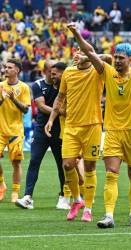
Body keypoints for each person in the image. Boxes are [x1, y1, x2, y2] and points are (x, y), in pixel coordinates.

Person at [67, 22, 131, 228]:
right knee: (111, 173)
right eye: (115, 57)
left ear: (130, 60)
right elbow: (89, 52)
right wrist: (75, 34)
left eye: (121, 58)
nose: (117, 60)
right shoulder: (107, 72)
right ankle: (108, 215)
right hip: (113, 132)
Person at [44, 49, 106, 222]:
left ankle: (88, 208)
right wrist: (51, 119)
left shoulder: (98, 71)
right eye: (75, 53)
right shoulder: (68, 73)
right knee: (67, 164)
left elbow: (107, 57)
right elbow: (60, 98)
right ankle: (77, 200)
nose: (76, 56)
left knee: (90, 167)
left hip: (92, 125)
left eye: (80, 52)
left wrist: (88, 56)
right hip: (71, 125)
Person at [15, 61, 69, 210]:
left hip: (60, 129)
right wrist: (60, 111)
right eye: (51, 71)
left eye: (55, 72)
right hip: (41, 129)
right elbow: (40, 106)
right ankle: (28, 197)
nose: (53, 74)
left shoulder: (66, 86)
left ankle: (63, 196)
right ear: (46, 71)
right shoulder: (38, 85)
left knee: (62, 164)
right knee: (34, 161)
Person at [0, 59, 31, 202]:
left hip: (15, 131)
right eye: (5, 67)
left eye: (9, 67)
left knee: (16, 163)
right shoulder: (0, 86)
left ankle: (15, 192)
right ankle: (1, 185)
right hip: (0, 130)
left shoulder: (24, 87)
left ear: (17, 70)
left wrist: (13, 99)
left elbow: (25, 109)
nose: (6, 69)